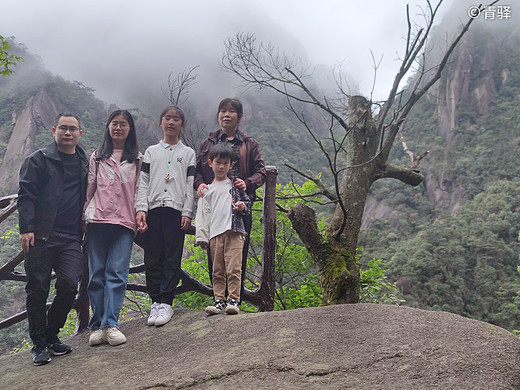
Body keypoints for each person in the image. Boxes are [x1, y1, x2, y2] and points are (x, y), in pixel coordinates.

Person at [18, 113, 89, 366]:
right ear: (53, 130)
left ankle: (51, 335)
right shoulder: (38, 159)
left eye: (72, 129)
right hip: (41, 235)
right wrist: (26, 229)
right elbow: (25, 195)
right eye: (63, 128)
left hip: (71, 236)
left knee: (70, 284)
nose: (67, 133)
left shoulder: (84, 160)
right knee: (37, 289)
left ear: (80, 133)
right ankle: (39, 345)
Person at [194, 98, 266, 303]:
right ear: (218, 115)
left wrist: (248, 183)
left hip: (239, 207)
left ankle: (235, 300)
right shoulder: (208, 144)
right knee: (214, 255)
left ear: (240, 117)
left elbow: (261, 171)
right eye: (223, 111)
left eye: (231, 111)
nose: (226, 115)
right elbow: (198, 171)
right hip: (215, 205)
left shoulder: (249, 144)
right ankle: (218, 300)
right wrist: (199, 184)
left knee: (237, 257)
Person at [83, 110, 142, 347]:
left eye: (123, 124)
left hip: (124, 222)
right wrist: (83, 216)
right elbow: (90, 188)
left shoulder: (137, 158)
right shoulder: (97, 157)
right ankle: (97, 325)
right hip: (97, 220)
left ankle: (111, 324)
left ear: (130, 129)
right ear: (108, 127)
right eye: (114, 124)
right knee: (96, 274)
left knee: (117, 273)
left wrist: (141, 213)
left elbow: (140, 190)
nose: (118, 128)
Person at [135, 106, 195, 327]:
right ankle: (155, 301)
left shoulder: (188, 153)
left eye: (176, 119)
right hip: (153, 209)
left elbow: (190, 185)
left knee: (172, 256)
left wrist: (188, 211)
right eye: (167, 118)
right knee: (153, 257)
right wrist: (141, 208)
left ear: (182, 124)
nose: (171, 122)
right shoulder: (151, 151)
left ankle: (166, 302)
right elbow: (143, 183)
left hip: (175, 211)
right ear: (160, 122)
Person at [195, 144, 251, 315]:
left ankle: (233, 300)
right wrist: (202, 237)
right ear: (210, 163)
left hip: (235, 231)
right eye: (218, 162)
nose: (221, 167)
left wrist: (242, 207)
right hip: (215, 234)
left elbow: (248, 204)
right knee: (217, 269)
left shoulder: (236, 185)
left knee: (234, 267)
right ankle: (219, 300)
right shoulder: (207, 191)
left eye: (225, 163)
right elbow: (203, 216)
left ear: (231, 165)